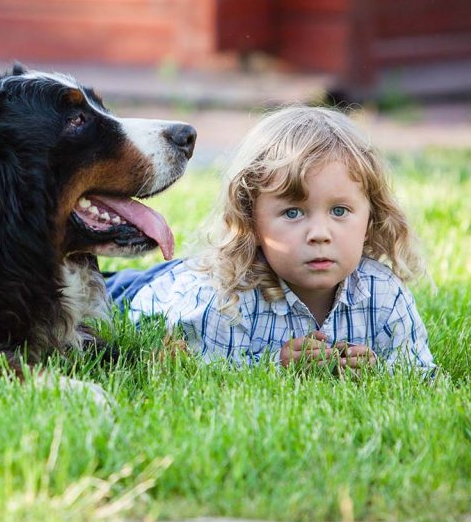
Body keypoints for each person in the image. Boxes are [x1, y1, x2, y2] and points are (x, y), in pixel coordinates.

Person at [107, 104, 435, 375]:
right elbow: (199, 373)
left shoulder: (384, 294)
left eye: (339, 211)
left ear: (371, 217)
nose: (320, 234)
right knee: (88, 293)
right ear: (250, 219)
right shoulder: (223, 301)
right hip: (148, 290)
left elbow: (422, 374)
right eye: (293, 213)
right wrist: (275, 367)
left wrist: (378, 371)